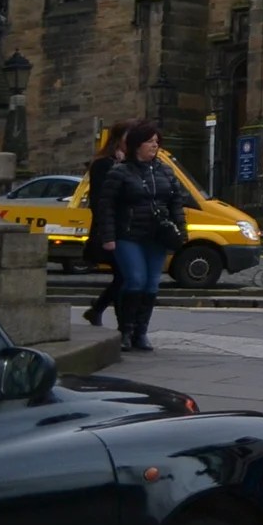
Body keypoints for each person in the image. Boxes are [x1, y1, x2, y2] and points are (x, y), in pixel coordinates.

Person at [97, 121, 186, 352]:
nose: (154, 146)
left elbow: (176, 202)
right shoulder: (120, 172)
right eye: (150, 141)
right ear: (137, 144)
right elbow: (106, 206)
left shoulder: (165, 170)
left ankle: (141, 331)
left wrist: (181, 232)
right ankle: (125, 330)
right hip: (128, 234)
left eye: (157, 142)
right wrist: (108, 236)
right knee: (135, 279)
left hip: (157, 235)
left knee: (151, 283)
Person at [79, 127, 123, 329]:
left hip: (127, 230)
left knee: (125, 277)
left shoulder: (132, 163)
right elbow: (99, 202)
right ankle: (123, 326)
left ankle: (98, 309)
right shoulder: (104, 165)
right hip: (110, 231)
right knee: (125, 276)